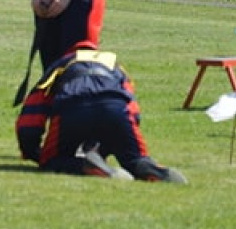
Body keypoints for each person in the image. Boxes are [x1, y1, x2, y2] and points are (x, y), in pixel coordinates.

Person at [15, 43, 186, 182]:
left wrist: (31, 151)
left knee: (52, 161)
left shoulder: (60, 64)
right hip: (116, 108)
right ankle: (150, 168)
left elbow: (32, 113)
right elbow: (132, 110)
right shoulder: (116, 66)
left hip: (73, 107)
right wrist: (114, 145)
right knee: (135, 159)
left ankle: (86, 166)